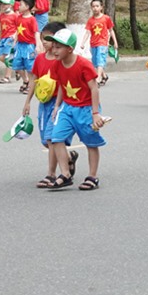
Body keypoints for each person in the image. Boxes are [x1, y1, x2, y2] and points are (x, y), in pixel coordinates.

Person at [46, 28, 107, 190]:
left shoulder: (83, 65)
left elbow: (94, 88)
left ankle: (93, 177)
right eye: (53, 46)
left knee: (90, 143)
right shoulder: (57, 65)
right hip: (67, 107)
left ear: (70, 49)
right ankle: (65, 174)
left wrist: (95, 114)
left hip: (86, 109)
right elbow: (61, 85)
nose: (54, 50)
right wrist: (57, 106)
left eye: (58, 47)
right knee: (56, 138)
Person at [22, 21, 78, 188]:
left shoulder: (60, 59)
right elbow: (34, 80)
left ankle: (52, 174)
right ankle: (68, 158)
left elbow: (64, 82)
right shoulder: (39, 59)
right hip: (44, 103)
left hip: (58, 103)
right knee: (46, 141)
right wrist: (27, 102)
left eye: (48, 38)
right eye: (42, 38)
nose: (44, 41)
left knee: (52, 138)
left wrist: (59, 105)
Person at [80, 0, 117, 86]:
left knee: (100, 59)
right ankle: (104, 76)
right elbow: (87, 32)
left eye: (97, 6)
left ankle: (98, 77)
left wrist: (115, 42)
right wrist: (82, 43)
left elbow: (111, 30)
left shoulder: (106, 18)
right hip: (93, 43)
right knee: (95, 62)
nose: (95, 8)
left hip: (103, 43)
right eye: (93, 6)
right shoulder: (91, 20)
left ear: (101, 7)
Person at [11, 0, 42, 92]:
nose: (18, 7)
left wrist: (37, 45)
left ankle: (31, 86)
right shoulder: (19, 18)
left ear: (27, 7)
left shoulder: (32, 19)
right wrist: (14, 40)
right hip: (20, 45)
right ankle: (25, 80)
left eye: (21, 5)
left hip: (29, 46)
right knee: (17, 65)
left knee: (29, 67)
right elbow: (17, 30)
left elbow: (36, 32)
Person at [0, 0, 18, 84]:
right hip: (3, 38)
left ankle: (7, 77)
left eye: (5, 4)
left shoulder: (15, 16)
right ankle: (17, 68)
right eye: (2, 3)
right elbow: (0, 27)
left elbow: (19, 28)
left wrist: (15, 36)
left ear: (10, 5)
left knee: (7, 57)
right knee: (1, 58)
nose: (3, 5)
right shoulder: (2, 15)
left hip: (10, 39)